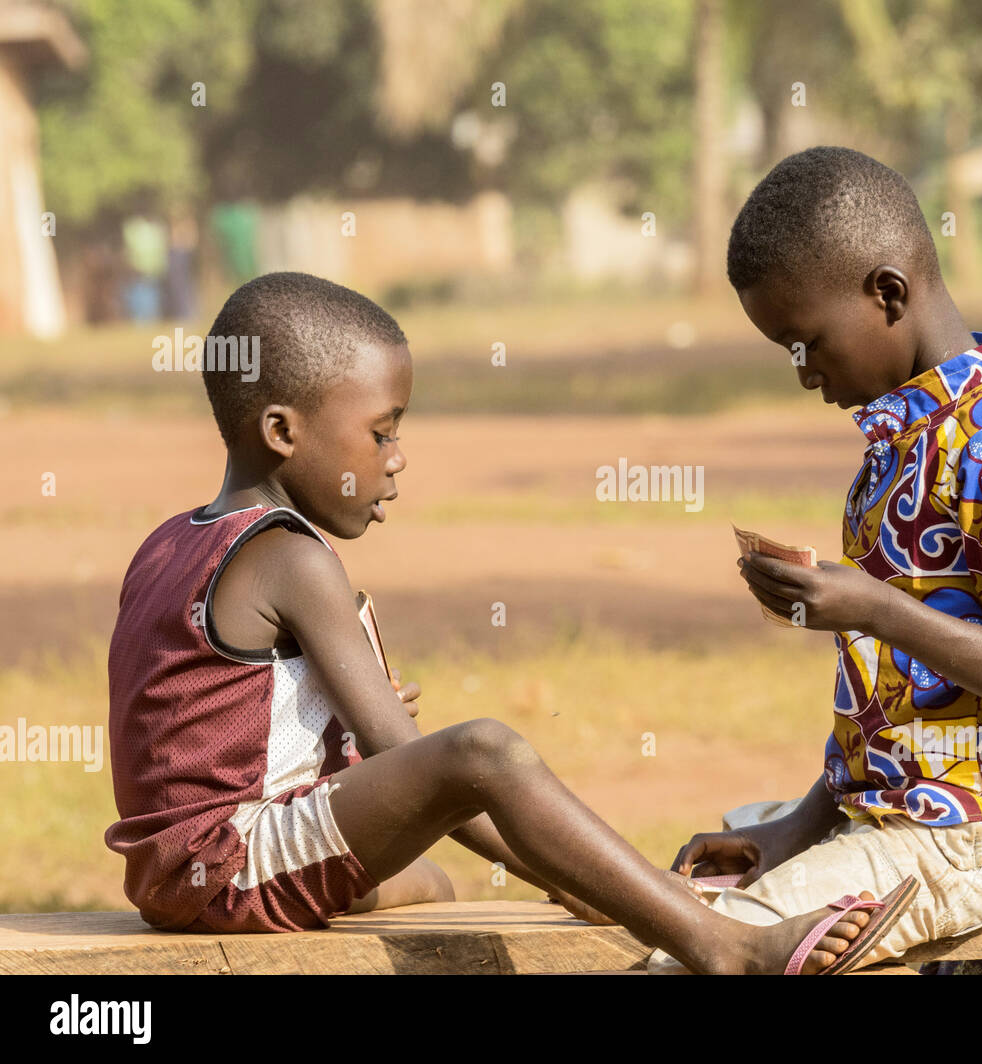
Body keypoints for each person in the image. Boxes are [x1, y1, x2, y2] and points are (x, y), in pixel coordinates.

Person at [103, 270, 918, 974]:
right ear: (282, 432)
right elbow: (426, 763)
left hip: (172, 870)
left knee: (434, 887)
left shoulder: (173, 541)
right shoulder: (294, 557)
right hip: (231, 864)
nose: (397, 458)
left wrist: (378, 757)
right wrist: (559, 874)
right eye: (381, 431)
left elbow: (208, 719)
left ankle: (599, 883)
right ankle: (723, 947)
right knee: (483, 749)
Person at [648, 147, 982, 973]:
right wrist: (795, 827)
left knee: (696, 954)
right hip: (900, 813)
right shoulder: (891, 459)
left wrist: (875, 607)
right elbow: (895, 714)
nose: (804, 371)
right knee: (678, 895)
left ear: (888, 293)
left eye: (805, 341)